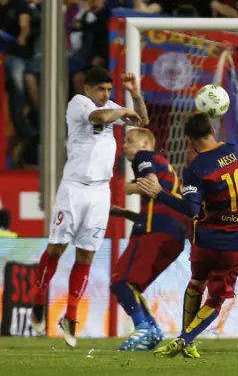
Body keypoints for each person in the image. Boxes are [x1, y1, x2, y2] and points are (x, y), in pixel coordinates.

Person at [29, 68, 147, 347]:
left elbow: (143, 121)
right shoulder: (79, 103)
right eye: (101, 90)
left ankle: (70, 316)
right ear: (88, 89)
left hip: (99, 191)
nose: (106, 95)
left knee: (87, 255)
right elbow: (101, 117)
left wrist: (135, 95)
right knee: (57, 248)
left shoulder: (112, 106)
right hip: (74, 187)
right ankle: (38, 301)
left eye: (109, 90)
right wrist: (121, 112)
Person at [137, 113, 238, 358]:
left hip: (206, 240)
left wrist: (161, 194)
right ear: (211, 128)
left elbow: (191, 209)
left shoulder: (196, 169)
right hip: (235, 241)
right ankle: (185, 339)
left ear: (188, 141)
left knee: (197, 282)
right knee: (216, 299)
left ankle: (186, 341)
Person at [109, 128, 186, 351]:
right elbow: (161, 201)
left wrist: (128, 187)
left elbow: (152, 185)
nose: (124, 146)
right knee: (131, 285)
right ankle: (151, 329)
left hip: (153, 230)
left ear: (144, 142)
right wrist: (126, 214)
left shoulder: (145, 156)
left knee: (120, 280)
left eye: (129, 141)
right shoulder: (166, 165)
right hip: (175, 236)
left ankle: (143, 326)